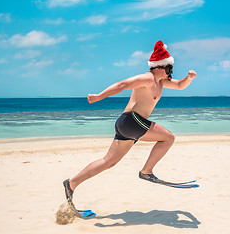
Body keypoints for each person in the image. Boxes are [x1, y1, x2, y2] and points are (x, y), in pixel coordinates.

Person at [63, 40, 197, 203]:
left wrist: (189, 78)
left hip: (129, 125)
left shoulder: (161, 82)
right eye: (169, 68)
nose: (171, 72)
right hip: (131, 121)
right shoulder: (147, 79)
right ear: (159, 67)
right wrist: (99, 96)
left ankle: (71, 183)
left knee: (108, 162)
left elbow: (181, 85)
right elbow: (123, 84)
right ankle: (146, 171)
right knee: (168, 137)